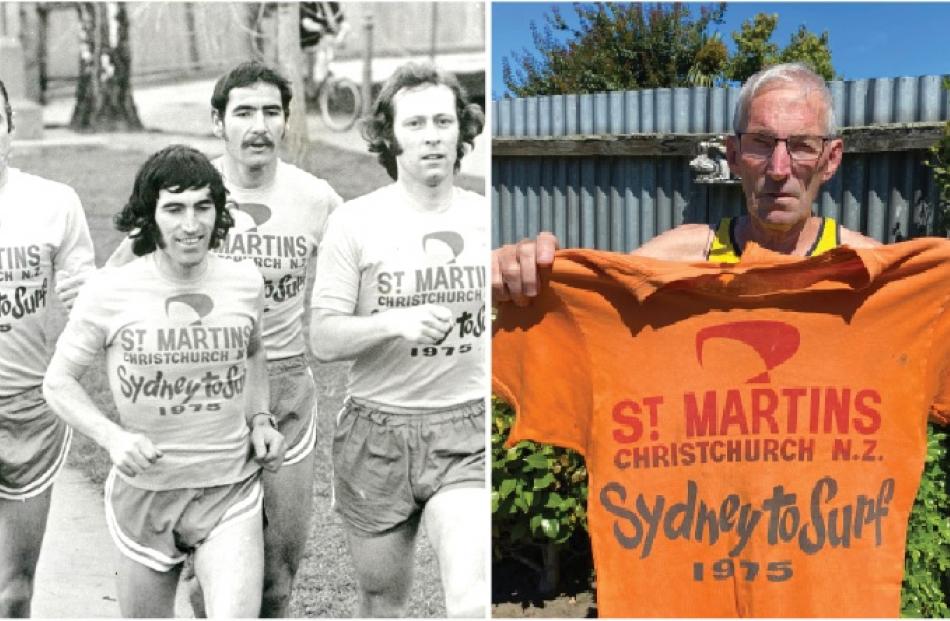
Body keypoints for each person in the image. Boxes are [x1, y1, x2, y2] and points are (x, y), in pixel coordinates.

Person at [102, 61, 343, 616]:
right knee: (210, 577)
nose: (258, 126)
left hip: (284, 389)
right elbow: (111, 284)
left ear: (285, 122)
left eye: (271, 112)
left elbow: (358, 277)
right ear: (218, 122)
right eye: (243, 112)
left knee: (278, 579)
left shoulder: (317, 200)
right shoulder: (190, 194)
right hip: (203, 391)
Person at [42, 145, 285, 617]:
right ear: (150, 217)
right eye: (174, 209)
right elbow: (58, 382)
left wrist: (259, 419)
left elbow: (254, 353)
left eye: (202, 207)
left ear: (219, 212)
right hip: (146, 494)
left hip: (228, 488)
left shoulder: (244, 282)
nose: (191, 225)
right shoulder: (110, 291)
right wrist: (112, 438)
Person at [309, 62, 487, 617]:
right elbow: (324, 337)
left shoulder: (489, 218)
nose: (431, 135)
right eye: (414, 124)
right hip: (376, 434)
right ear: (389, 136)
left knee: (471, 588)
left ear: (463, 130)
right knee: (382, 598)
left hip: (465, 429)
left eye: (443, 120)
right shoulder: (357, 222)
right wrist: (394, 323)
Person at [492, 63, 880, 301]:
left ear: (830, 160)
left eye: (802, 146)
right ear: (732, 156)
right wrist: (530, 273)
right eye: (760, 143)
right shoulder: (675, 258)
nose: (779, 168)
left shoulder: (871, 271)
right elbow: (588, 302)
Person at [0, 77, 96, 617]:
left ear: (11, 128)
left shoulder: (54, 203)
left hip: (29, 412)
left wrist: (83, 295)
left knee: (14, 591)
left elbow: (89, 298)